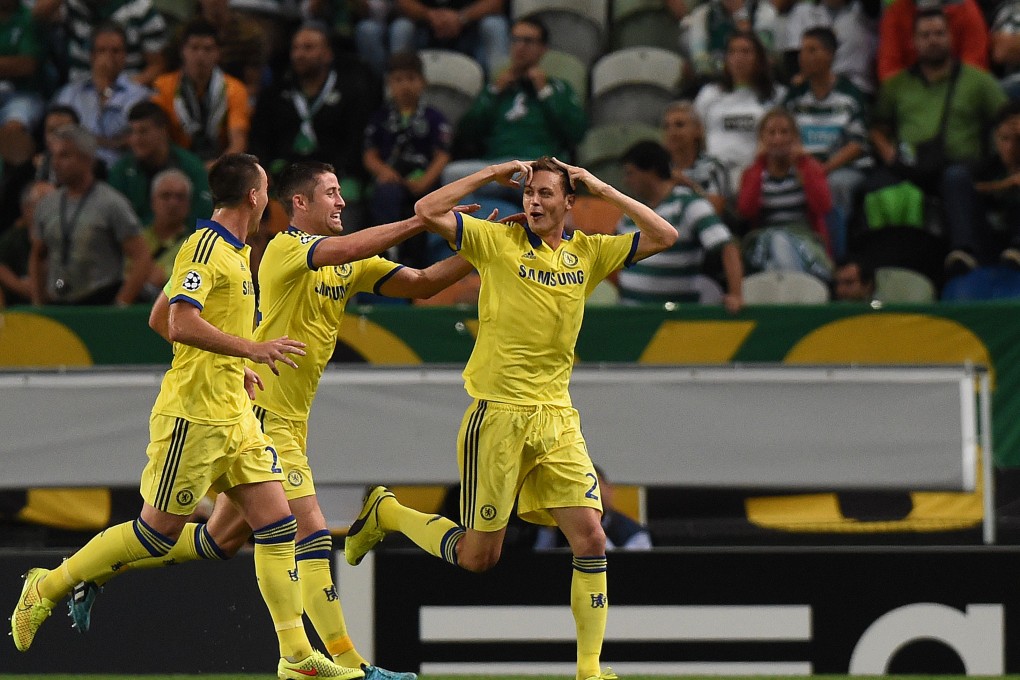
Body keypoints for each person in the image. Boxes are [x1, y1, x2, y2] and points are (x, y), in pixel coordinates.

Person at [72, 160, 486, 679]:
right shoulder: (286, 250)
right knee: (308, 530)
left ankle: (98, 569)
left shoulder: (345, 263)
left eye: (341, 193)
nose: (340, 201)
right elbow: (352, 247)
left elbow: (424, 283)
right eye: (331, 193)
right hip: (259, 414)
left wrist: (482, 249)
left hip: (288, 418)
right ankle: (350, 667)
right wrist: (425, 221)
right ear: (299, 204)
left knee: (215, 541)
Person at [10, 153, 364, 680]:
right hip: (193, 416)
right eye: (265, 187)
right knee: (155, 533)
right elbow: (177, 322)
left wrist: (230, 365)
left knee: (276, 524)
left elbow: (161, 314)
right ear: (253, 197)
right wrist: (247, 350)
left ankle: (294, 658)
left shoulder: (239, 252)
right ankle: (49, 583)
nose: (268, 195)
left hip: (236, 415)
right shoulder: (204, 246)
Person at [343, 156, 678, 680]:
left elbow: (664, 234)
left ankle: (589, 671)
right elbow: (427, 209)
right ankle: (387, 513)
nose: (536, 202)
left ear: (569, 203)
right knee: (480, 557)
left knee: (590, 537)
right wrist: (490, 174)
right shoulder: (495, 241)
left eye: (547, 194)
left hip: (557, 418)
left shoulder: (586, 253)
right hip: (497, 415)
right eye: (530, 194)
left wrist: (601, 188)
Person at [869, 7, 1006, 275]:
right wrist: (889, 154)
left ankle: (964, 254)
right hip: (910, 166)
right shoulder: (897, 86)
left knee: (954, 178)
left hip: (963, 166)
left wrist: (1004, 156)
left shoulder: (978, 81)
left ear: (950, 37)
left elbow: (1008, 120)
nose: (933, 40)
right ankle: (876, 268)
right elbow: (877, 127)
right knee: (868, 188)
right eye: (926, 35)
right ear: (914, 42)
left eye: (939, 33)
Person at [442, 18, 587, 218]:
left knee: (552, 182)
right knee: (452, 175)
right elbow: (467, 133)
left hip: (538, 166)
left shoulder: (557, 88)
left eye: (527, 41)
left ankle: (504, 220)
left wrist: (544, 92)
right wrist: (494, 92)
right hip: (498, 168)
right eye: (515, 40)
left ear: (543, 49)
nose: (519, 47)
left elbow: (576, 132)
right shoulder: (496, 88)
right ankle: (489, 226)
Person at [249, 22, 379, 228]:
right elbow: (259, 139)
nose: (299, 54)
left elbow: (357, 141)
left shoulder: (352, 92)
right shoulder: (274, 94)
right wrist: (265, 172)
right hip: (286, 176)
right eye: (296, 48)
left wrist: (331, 177)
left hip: (337, 176)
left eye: (308, 48)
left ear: (327, 54)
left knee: (347, 206)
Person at [28, 125, 153, 306]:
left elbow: (142, 256)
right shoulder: (47, 205)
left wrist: (121, 303)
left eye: (64, 155)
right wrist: (38, 302)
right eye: (54, 156)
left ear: (87, 159)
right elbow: (37, 256)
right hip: (58, 302)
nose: (55, 163)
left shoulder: (111, 203)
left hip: (100, 301)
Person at [617, 140, 744, 312]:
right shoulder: (631, 211)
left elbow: (727, 246)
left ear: (651, 171)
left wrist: (736, 294)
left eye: (630, 173)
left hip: (675, 317)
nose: (626, 181)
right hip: (630, 317)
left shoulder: (689, 205)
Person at [784, 26, 870, 261]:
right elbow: (785, 134)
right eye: (803, 51)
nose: (805, 57)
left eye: (813, 50)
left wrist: (824, 169)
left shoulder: (850, 95)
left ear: (830, 55)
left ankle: (835, 258)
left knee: (834, 186)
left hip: (843, 168)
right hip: (804, 167)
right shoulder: (795, 96)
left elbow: (858, 144)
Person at [363, 51, 452, 268]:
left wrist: (425, 181)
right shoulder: (380, 117)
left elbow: (442, 155)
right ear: (389, 84)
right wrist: (384, 171)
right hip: (391, 181)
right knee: (386, 195)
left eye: (411, 79)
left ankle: (418, 266)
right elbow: (369, 154)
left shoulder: (434, 117)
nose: (405, 86)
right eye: (398, 80)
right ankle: (388, 251)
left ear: (423, 82)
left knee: (423, 211)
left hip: (422, 182)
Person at [737, 108, 834, 280]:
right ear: (762, 139)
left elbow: (823, 206)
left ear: (795, 137)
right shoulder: (753, 173)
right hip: (763, 241)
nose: (778, 139)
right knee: (777, 240)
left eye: (784, 132)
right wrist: (760, 163)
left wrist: (802, 164)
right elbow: (746, 210)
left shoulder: (809, 168)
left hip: (804, 240)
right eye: (771, 133)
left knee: (779, 249)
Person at [693, 31, 787, 195]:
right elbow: (695, 133)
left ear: (759, 58)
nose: (739, 58)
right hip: (712, 171)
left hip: (756, 175)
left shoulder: (777, 96)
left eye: (746, 52)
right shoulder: (709, 94)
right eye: (733, 52)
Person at [53, 23, 153, 170]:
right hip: (75, 169)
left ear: (125, 56)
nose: (109, 57)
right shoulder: (70, 94)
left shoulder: (140, 95)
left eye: (116, 51)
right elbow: (58, 134)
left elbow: (134, 140)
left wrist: (85, 139)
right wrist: (111, 142)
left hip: (119, 171)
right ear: (92, 56)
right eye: (102, 50)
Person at [152, 17, 251, 165]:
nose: (200, 56)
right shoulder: (163, 86)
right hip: (176, 164)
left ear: (218, 53)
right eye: (194, 48)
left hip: (220, 164)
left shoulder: (235, 89)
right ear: (183, 51)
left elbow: (238, 142)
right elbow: (159, 138)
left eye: (208, 49)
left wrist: (216, 168)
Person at [108, 101, 213, 230]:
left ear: (163, 131)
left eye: (143, 131)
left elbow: (202, 217)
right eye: (131, 132)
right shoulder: (121, 171)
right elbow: (113, 219)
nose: (135, 139)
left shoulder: (192, 168)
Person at [534, 465, 653, 551]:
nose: (589, 497)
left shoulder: (635, 534)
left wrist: (591, 526)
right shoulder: (556, 527)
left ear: (609, 489)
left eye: (595, 486)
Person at [56, 0, 167, 87]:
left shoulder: (142, 10)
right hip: (79, 88)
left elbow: (157, 66)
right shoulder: (71, 5)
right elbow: (41, 15)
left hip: (128, 90)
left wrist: (121, 89)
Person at [386, 0, 509, 77]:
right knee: (401, 28)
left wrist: (461, 18)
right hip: (424, 32)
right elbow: (402, 3)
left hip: (471, 35)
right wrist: (429, 16)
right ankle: (396, 91)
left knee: (494, 25)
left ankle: (501, 92)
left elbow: (496, 3)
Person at [878, 0, 988, 82]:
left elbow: (975, 68)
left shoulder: (966, 10)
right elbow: (888, 70)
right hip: (910, 98)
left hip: (958, 94)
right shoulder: (896, 13)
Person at [681, 0, 779, 84]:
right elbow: (700, 61)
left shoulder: (764, 11)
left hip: (756, 82)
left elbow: (762, 54)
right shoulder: (703, 13)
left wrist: (741, 17)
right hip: (714, 81)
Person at [661, 100, 731, 215]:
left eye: (679, 125)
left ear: (698, 130)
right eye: (666, 126)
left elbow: (715, 210)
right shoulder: (659, 169)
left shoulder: (714, 167)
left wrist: (687, 185)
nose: (672, 132)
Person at [973, 100, 1020, 266]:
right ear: (995, 137)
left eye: (1018, 139)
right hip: (990, 240)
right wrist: (1007, 184)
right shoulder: (988, 166)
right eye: (1004, 139)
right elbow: (971, 189)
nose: (1010, 147)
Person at [141, 169, 193, 295]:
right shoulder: (139, 239)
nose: (173, 203)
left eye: (180, 197)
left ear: (189, 204)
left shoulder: (196, 244)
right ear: (152, 201)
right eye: (166, 196)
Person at [0, 180, 52, 306]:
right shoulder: (14, 237)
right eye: (44, 205)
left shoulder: (63, 237)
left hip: (59, 297)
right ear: (26, 209)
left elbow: (65, 279)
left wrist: (52, 287)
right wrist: (20, 286)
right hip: (19, 304)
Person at [0, 0, 44, 150]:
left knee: (14, 129)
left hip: (23, 94)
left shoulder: (29, 17)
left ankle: (9, 173)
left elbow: (27, 65)